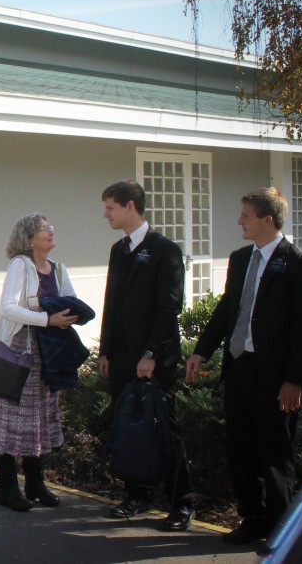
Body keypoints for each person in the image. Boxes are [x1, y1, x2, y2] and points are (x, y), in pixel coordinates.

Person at [186, 187, 302, 545]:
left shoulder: (297, 262)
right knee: (241, 448)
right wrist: (202, 351)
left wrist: (295, 381)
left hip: (276, 378)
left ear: (267, 219)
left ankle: (282, 530)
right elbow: (228, 309)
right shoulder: (241, 258)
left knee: (275, 454)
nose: (239, 221)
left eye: (245, 215)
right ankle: (254, 519)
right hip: (239, 367)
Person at [99, 180, 194, 531]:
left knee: (163, 430)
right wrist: (106, 350)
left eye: (110, 207)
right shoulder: (118, 249)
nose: (105, 214)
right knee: (128, 429)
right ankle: (137, 496)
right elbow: (111, 302)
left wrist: (151, 353)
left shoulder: (165, 250)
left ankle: (181, 504)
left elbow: (168, 308)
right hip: (122, 358)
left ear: (130, 206)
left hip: (154, 359)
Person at [0, 214, 77, 511]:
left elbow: (71, 301)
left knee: (38, 420)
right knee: (10, 421)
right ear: (28, 238)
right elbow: (8, 308)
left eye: (51, 226)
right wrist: (47, 318)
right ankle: (7, 488)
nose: (51, 232)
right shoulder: (20, 265)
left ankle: (35, 484)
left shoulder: (58, 269)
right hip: (19, 351)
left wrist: (70, 315)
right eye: (44, 229)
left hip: (48, 353)